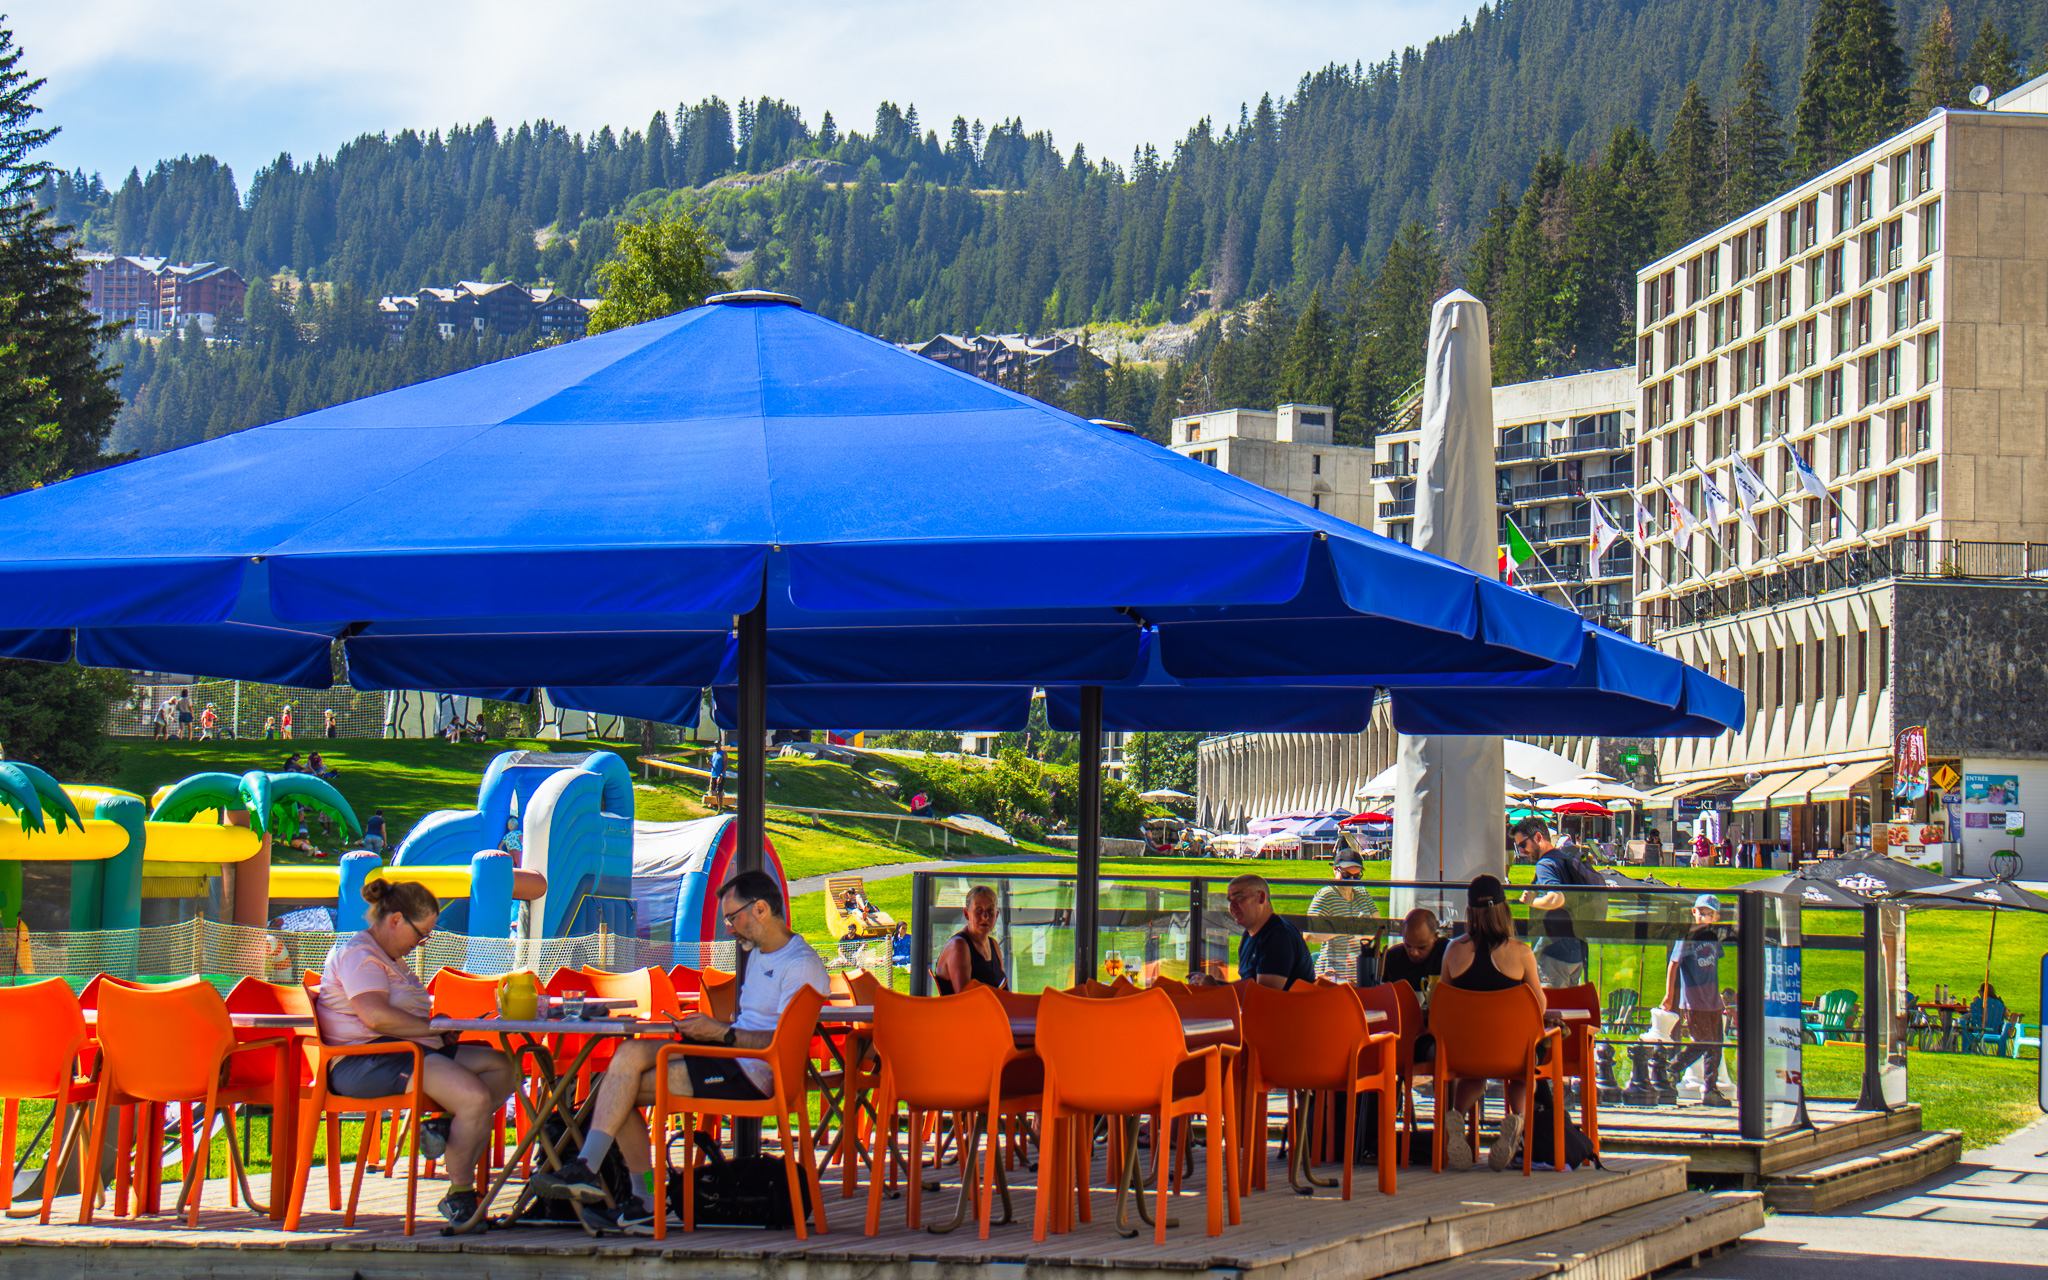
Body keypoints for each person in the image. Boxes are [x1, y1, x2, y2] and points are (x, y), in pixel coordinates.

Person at [525, 870, 828, 1227]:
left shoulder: (800, 964)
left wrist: (720, 1033)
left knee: (617, 1090)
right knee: (626, 1060)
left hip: (754, 1071)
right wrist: (708, 1032)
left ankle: (639, 1192)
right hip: (733, 1058)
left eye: (733, 917)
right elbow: (751, 1028)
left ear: (761, 909)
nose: (729, 928)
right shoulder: (762, 953)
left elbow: (783, 1044)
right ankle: (601, 1173)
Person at [315, 879, 517, 1224]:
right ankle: (461, 1195)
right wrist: (434, 1028)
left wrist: (436, 1027)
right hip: (366, 1059)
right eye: (421, 933)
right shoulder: (360, 953)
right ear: (395, 920)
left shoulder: (387, 955)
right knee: (473, 1097)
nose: (421, 943)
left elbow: (402, 1019)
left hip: (405, 1050)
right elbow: (375, 1016)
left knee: (505, 1067)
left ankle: (443, 1126)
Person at [1435, 874, 1545, 1171]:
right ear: (1503, 910)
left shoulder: (1453, 951)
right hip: (1511, 1053)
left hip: (1464, 1052)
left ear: (1469, 912)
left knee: (1476, 1073)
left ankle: (1456, 1115)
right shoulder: (1521, 953)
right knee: (1525, 1067)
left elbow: (1442, 1001)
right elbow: (1539, 1006)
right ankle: (1517, 1120)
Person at [1188, 874, 1314, 990]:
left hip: (1288, 1013)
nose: (1232, 906)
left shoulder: (1279, 937)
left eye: (1239, 897)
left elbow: (1263, 996)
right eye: (1230, 901)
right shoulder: (1249, 936)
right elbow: (1248, 986)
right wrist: (1212, 985)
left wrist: (1216, 988)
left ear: (1260, 897)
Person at [1661, 894, 1728, 1106]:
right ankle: (1669, 1069)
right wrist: (1670, 994)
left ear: (1716, 917)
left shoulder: (1713, 939)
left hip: (1713, 1002)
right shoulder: (1687, 938)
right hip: (1694, 1001)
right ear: (1694, 912)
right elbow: (1674, 965)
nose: (1705, 917)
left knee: (1715, 1045)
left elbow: (1713, 969)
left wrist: (1721, 998)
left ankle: (1711, 1088)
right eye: (1702, 912)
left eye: (1710, 913)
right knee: (1702, 1042)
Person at [1515, 816, 1591, 988]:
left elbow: (1556, 897)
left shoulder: (1545, 864)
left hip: (1554, 956)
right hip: (1576, 953)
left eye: (1523, 845)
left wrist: (1533, 902)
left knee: (1548, 1012)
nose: (1521, 851)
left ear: (1538, 838)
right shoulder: (1564, 859)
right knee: (1568, 1012)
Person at [1306, 854, 1378, 982]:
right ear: (1335, 869)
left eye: (1356, 876)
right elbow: (1309, 934)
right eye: (1346, 875)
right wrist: (1345, 927)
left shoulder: (1362, 893)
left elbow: (1377, 926)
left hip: (1358, 974)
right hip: (1332, 975)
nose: (1351, 880)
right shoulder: (1326, 895)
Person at [934, 884, 1006, 994]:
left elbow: (1004, 989)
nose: (985, 916)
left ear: (996, 916)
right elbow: (965, 999)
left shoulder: (994, 945)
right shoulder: (959, 946)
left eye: (990, 910)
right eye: (978, 909)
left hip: (992, 1010)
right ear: (966, 914)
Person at [1380, 908, 1447, 991]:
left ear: (1435, 937)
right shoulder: (1392, 957)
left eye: (1421, 948)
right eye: (1408, 946)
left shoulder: (1448, 954)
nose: (1414, 953)